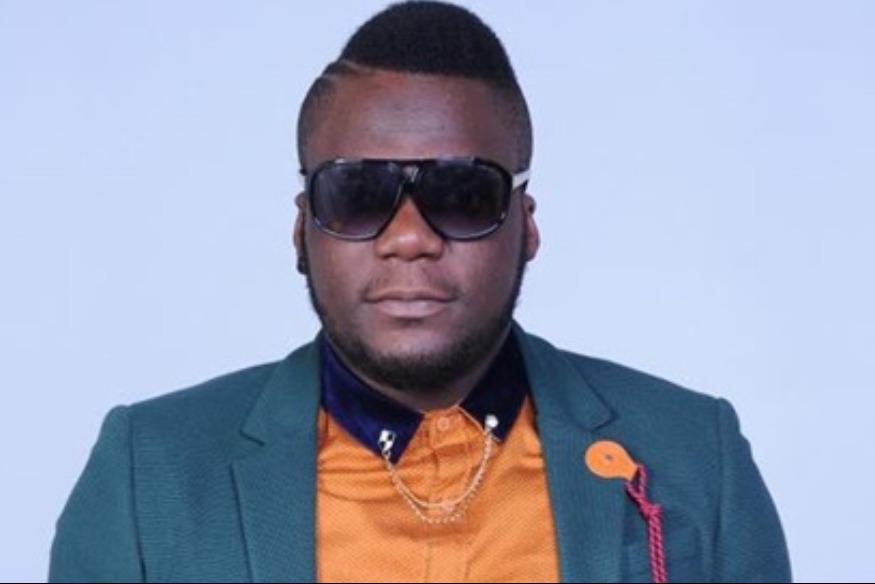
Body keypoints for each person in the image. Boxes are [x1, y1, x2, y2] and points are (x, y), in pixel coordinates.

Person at [49, 2, 791, 582]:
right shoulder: (148, 474)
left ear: (526, 225)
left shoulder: (695, 455)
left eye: (463, 194)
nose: (409, 237)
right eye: (357, 194)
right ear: (303, 229)